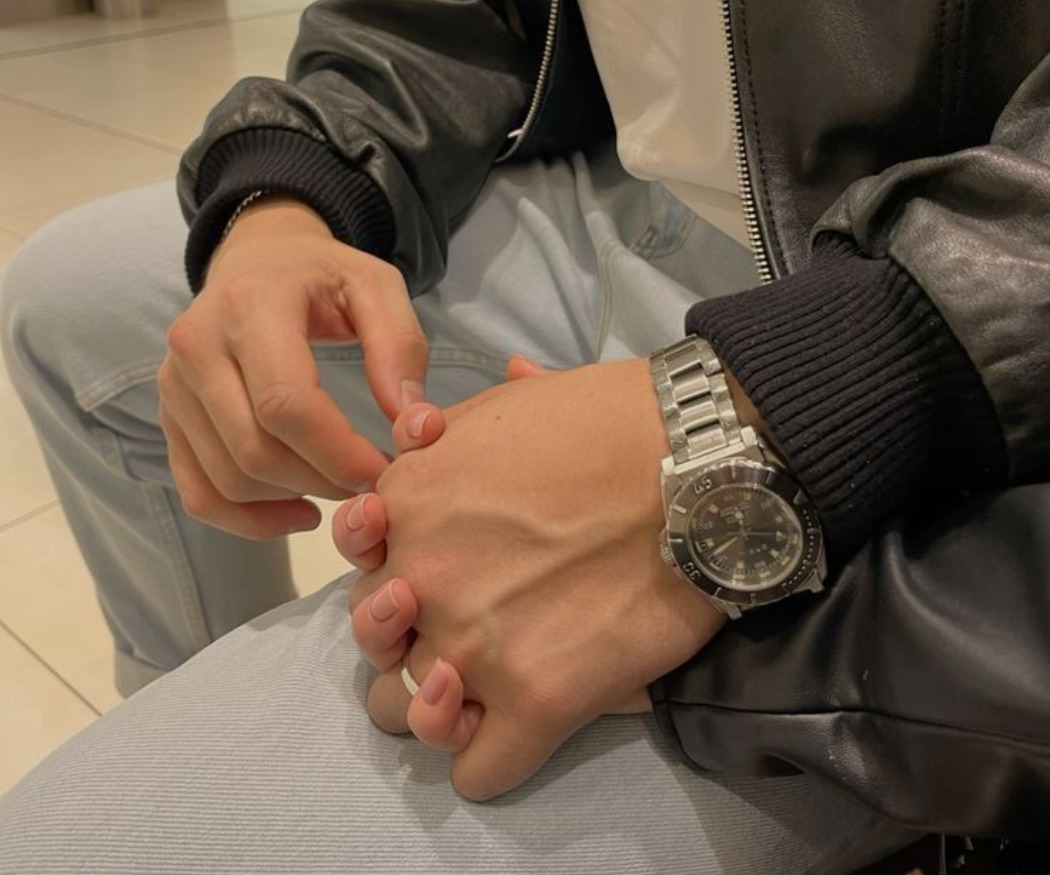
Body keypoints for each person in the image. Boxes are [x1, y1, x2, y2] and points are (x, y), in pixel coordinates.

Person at [1, 0, 1049, 871]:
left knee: (65, 842)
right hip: (640, 207)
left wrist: (764, 410)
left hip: (935, 307)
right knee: (66, 302)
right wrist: (289, 194)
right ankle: (199, 717)